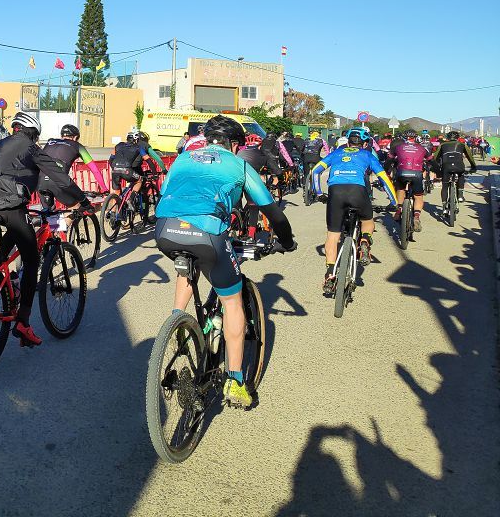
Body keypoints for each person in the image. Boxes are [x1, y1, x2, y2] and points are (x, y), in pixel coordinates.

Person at [154, 115, 296, 409]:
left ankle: (179, 322)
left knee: (187, 266)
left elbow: (166, 191)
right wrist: (286, 240)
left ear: (207, 140)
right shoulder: (239, 164)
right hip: (207, 233)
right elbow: (273, 211)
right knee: (231, 302)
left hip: (165, 229)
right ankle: (236, 381)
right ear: (234, 144)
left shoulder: (183, 158)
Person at [0, 111, 78, 347]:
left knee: (17, 227)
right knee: (31, 260)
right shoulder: (31, 148)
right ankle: (24, 322)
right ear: (32, 132)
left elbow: (9, 170)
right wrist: (79, 200)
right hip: (9, 201)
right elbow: (57, 175)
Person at [311, 127, 397, 294]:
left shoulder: (336, 153)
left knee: (333, 236)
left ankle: (330, 275)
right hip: (358, 192)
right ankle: (364, 241)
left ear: (348, 140)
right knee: (367, 221)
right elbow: (384, 178)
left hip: (335, 193)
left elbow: (315, 171)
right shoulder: (367, 155)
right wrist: (393, 202)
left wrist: (320, 193)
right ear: (365, 143)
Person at [109, 128, 168, 220]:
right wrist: (155, 173)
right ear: (136, 139)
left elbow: (110, 159)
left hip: (115, 170)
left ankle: (113, 214)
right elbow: (149, 160)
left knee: (117, 193)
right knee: (139, 180)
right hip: (129, 170)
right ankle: (131, 199)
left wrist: (115, 168)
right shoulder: (139, 147)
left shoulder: (118, 145)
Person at [387, 130, 431, 231]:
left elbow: (389, 160)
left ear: (404, 138)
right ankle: (416, 217)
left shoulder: (398, 147)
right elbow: (431, 160)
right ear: (415, 138)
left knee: (400, 189)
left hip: (401, 173)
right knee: (418, 196)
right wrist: (438, 172)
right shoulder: (422, 148)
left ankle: (398, 212)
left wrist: (386, 171)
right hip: (416, 174)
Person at [431, 130, 476, 204]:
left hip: (446, 167)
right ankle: (460, 196)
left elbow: (435, 158)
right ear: (458, 138)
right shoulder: (462, 144)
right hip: (459, 166)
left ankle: (444, 206)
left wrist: (435, 169)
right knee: (461, 175)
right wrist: (473, 167)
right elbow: (470, 156)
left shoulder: (442, 145)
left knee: (445, 185)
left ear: (448, 138)